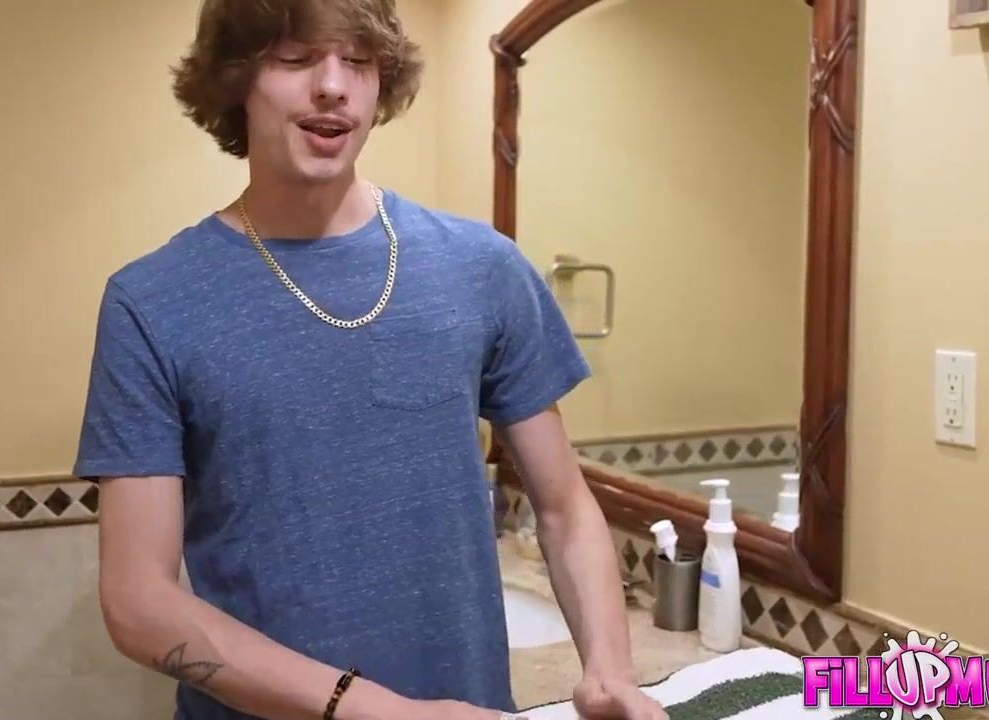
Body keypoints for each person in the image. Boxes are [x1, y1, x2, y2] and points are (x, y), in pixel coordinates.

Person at [73, 1, 668, 719]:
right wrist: (383, 713)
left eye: (358, 61)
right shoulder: (152, 302)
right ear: (236, 79)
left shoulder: (480, 268)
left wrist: (610, 669)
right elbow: (138, 603)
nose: (333, 86)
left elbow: (565, 507)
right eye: (296, 59)